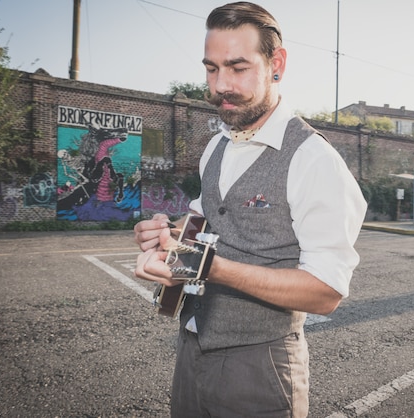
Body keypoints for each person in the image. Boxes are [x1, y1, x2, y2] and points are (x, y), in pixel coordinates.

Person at [133, 2, 367, 416]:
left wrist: (213, 267)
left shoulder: (314, 159)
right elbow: (204, 222)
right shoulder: (216, 145)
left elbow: (327, 292)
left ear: (276, 64)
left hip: (261, 368)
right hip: (190, 351)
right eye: (211, 68)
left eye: (238, 67)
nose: (220, 84)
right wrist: (167, 233)